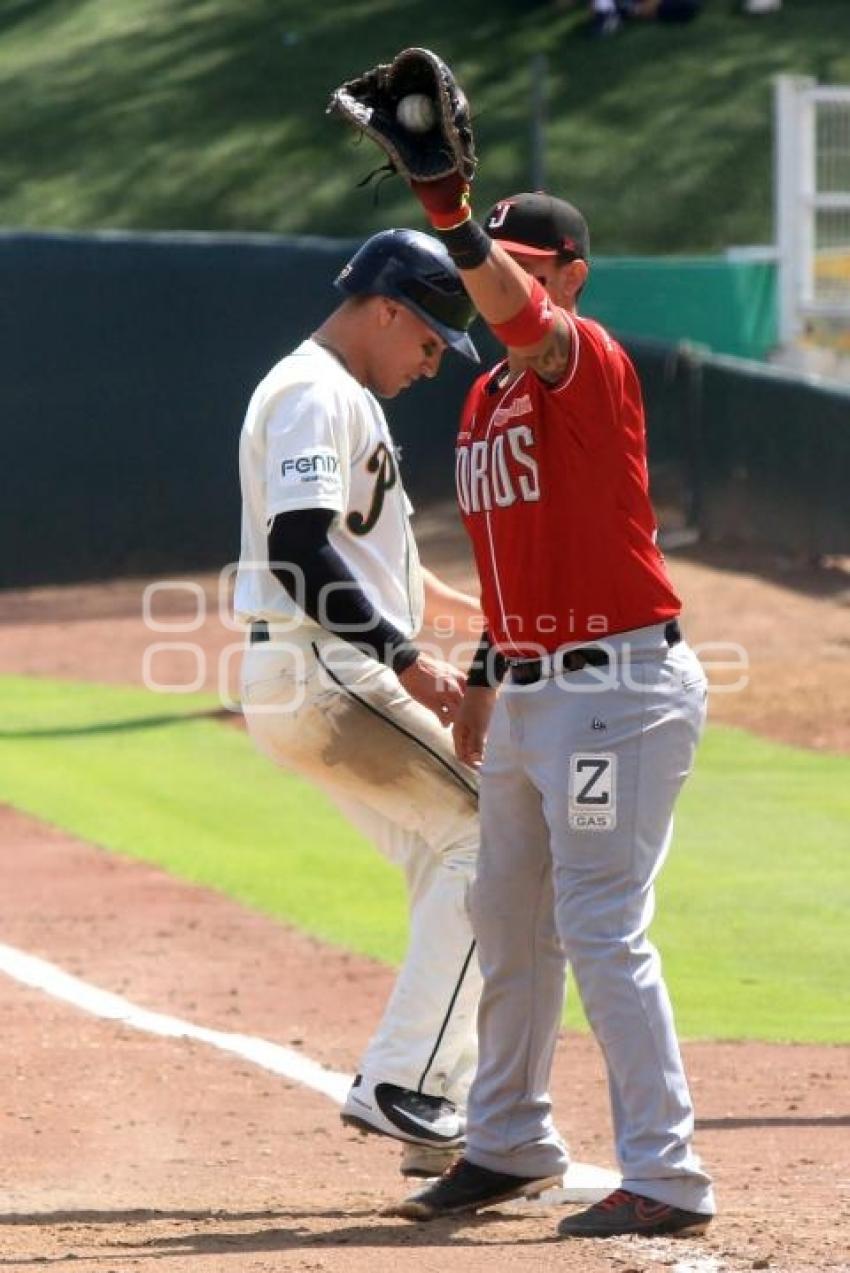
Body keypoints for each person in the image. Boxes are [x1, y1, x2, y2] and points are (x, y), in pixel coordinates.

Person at [365, 78, 716, 1236]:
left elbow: (521, 318)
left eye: (519, 259)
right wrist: (483, 672)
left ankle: (665, 1176)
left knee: (600, 922)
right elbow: (512, 549)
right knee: (504, 916)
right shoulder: (480, 400)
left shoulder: (581, 362)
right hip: (528, 693)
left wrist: (454, 218)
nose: (493, 274)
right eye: (486, 253)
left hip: (618, 690)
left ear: (569, 274)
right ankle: (508, 1140)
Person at [233, 228, 484, 1180]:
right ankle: (405, 1083)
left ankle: (432, 1103)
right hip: (327, 674)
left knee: (449, 854)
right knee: (498, 830)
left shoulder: (338, 395)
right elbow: (300, 550)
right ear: (387, 307)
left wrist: (453, 609)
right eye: (429, 340)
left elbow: (361, 550)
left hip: (320, 671)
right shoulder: (312, 390)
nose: (432, 363)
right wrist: (411, 661)